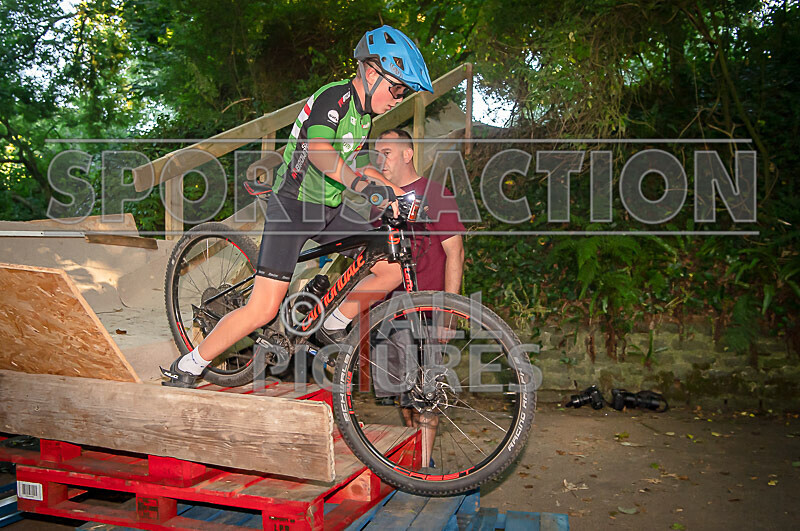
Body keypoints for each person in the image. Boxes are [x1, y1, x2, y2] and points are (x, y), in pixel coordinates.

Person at [161, 26, 434, 388]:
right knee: (263, 309)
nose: (399, 98)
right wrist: (361, 186)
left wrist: (399, 195)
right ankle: (189, 364)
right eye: (398, 88)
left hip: (329, 210)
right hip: (293, 207)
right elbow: (320, 151)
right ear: (371, 73)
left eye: (405, 92)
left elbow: (359, 165)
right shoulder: (334, 99)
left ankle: (332, 325)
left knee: (390, 267)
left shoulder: (364, 117)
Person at [371, 128, 465, 469]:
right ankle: (415, 462)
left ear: (407, 154)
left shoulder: (435, 195)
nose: (379, 159)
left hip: (427, 312)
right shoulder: (379, 203)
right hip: (390, 314)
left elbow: (455, 252)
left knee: (428, 396)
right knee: (404, 397)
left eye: (386, 152)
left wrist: (449, 314)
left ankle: (423, 468)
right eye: (376, 154)